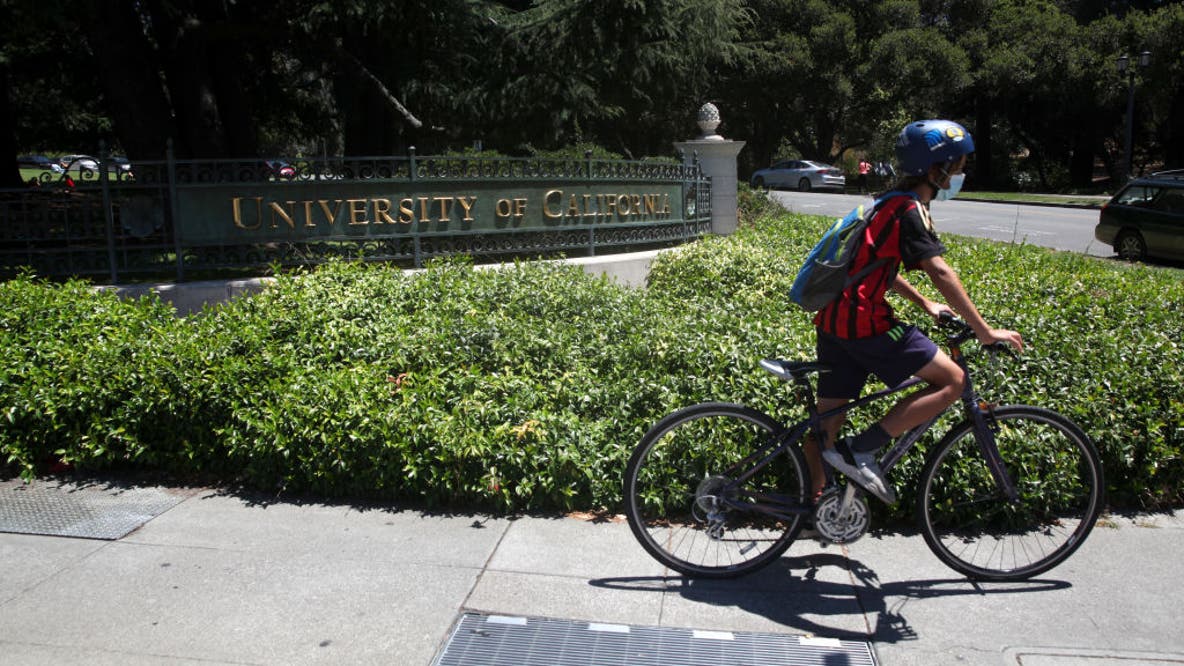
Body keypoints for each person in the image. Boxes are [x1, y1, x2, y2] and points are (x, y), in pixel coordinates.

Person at [801, 119, 1024, 503]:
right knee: (953, 381)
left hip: (834, 320)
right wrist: (985, 331)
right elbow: (939, 270)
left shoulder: (886, 202)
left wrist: (924, 303)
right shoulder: (910, 210)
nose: (961, 174)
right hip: (865, 323)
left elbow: (876, 267)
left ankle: (812, 506)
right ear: (936, 170)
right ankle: (862, 450)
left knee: (828, 421)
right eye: (958, 166)